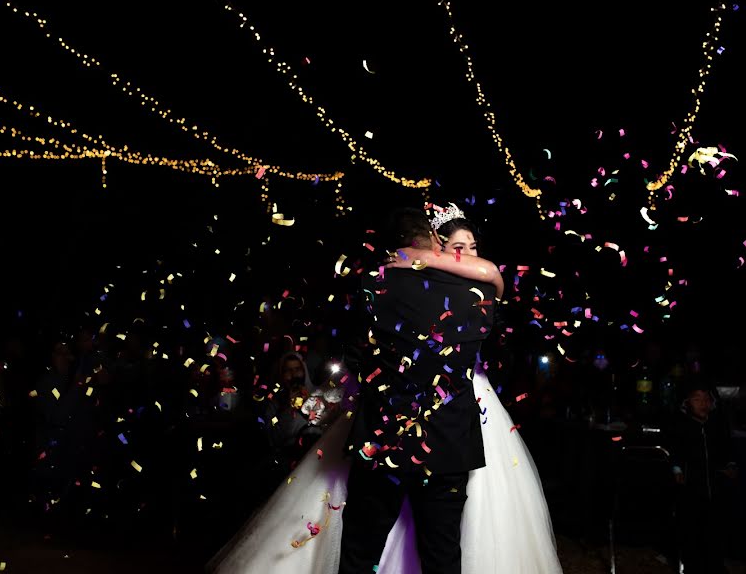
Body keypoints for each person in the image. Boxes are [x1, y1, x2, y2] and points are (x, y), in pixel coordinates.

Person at [207, 204, 562, 573]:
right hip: (449, 441)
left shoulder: (370, 286)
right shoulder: (479, 288)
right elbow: (493, 285)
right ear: (435, 240)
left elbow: (353, 352)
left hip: (381, 438)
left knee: (361, 550)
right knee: (442, 554)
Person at [667, 376, 737, 574]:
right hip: (691, 489)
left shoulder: (717, 426)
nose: (703, 403)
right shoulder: (681, 425)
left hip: (716, 490)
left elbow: (728, 450)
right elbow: (674, 451)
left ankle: (715, 564)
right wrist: (677, 470)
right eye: (697, 399)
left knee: (715, 531)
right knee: (691, 532)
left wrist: (731, 465)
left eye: (706, 399)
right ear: (687, 402)